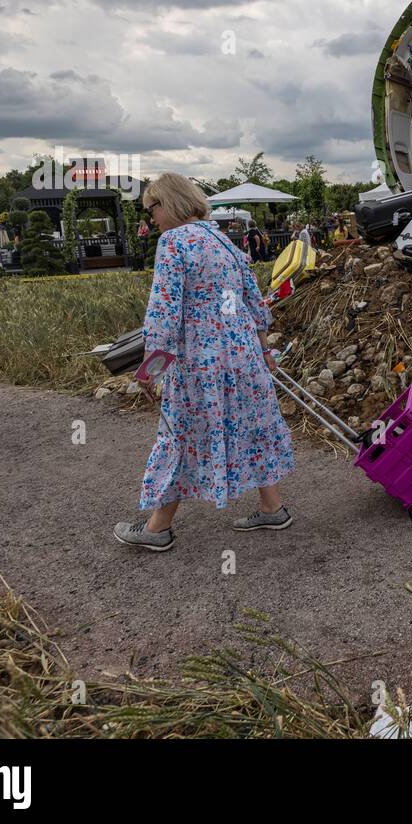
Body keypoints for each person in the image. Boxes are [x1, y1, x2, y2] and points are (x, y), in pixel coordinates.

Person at [114, 174, 296, 552]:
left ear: (170, 203)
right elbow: (253, 300)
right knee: (250, 424)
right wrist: (264, 352)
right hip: (243, 352)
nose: (151, 219)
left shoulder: (174, 242)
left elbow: (164, 313)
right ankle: (272, 507)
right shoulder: (222, 240)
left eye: (152, 209)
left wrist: (150, 371)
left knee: (180, 433)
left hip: (203, 359)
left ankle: (157, 528)